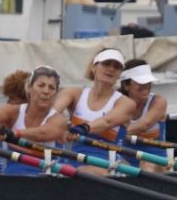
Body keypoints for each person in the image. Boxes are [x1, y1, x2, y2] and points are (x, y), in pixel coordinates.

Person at [53, 47, 137, 175]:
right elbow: (51, 114)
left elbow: (107, 122)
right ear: (94, 67)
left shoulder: (126, 103)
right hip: (74, 160)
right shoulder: (73, 93)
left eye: (116, 67)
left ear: (120, 74)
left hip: (107, 164)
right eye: (106, 64)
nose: (111, 69)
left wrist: (82, 128)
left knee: (80, 172)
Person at [0, 65, 68, 176]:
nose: (46, 91)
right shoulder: (12, 111)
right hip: (11, 180)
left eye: (51, 88)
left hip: (45, 181)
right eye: (41, 85)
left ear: (56, 94)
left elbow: (43, 133)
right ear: (29, 88)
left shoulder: (59, 120)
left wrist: (15, 133)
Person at [119, 59, 169, 167]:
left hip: (154, 160)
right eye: (141, 82)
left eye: (148, 81)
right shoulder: (116, 102)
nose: (146, 85)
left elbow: (144, 125)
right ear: (126, 85)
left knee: (147, 165)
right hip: (124, 159)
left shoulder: (158, 101)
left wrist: (114, 133)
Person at [0, 70, 29, 174]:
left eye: (12, 98)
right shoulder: (0, 124)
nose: (8, 102)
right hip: (6, 177)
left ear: (26, 100)